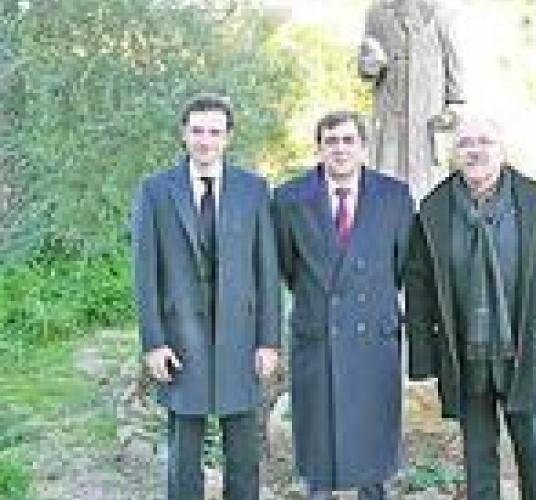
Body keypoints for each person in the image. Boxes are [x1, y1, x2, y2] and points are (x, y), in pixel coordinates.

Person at [405, 113, 536, 499]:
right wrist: (424, 358)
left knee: (534, 458)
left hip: (524, 353)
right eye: (466, 143)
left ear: (502, 149)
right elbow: (418, 290)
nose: (475, 151)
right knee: (478, 461)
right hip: (465, 357)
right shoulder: (433, 211)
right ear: (455, 153)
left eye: (484, 142)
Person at [131, 92, 280, 500]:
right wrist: (153, 342)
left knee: (243, 450)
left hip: (241, 335)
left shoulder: (253, 189)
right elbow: (145, 274)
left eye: (214, 132)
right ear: (183, 134)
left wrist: (268, 341)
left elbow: (267, 271)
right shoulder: (155, 191)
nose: (205, 141)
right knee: (184, 451)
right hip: (180, 337)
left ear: (228, 137)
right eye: (197, 131)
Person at [273, 111, 413, 500]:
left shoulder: (395, 196)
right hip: (317, 331)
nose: (340, 148)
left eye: (348, 140)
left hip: (374, 335)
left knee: (371, 442)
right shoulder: (289, 198)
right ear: (319, 148)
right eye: (331, 141)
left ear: (363, 147)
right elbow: (288, 267)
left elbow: (404, 265)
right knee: (319, 439)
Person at [358, 0, 465, 201]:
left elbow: (455, 63)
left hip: (427, 119)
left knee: (427, 187)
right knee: (386, 183)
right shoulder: (376, 12)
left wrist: (455, 105)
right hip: (389, 117)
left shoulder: (442, 12)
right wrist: (370, 63)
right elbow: (366, 67)